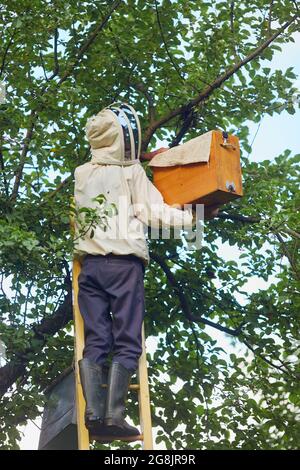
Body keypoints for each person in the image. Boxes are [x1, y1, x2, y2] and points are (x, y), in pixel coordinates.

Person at [73, 103, 218, 440]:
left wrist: (149, 155)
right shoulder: (131, 173)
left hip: (90, 269)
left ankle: (94, 414)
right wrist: (195, 217)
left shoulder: (83, 173)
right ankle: (115, 417)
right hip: (123, 267)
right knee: (127, 342)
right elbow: (156, 214)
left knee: (96, 341)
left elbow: (113, 163)